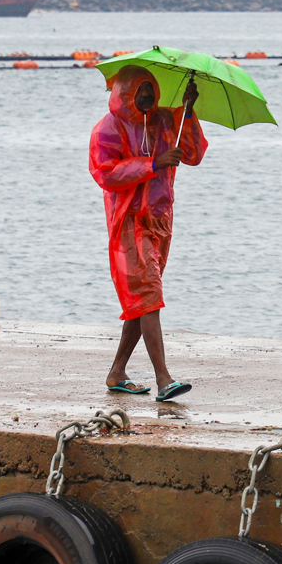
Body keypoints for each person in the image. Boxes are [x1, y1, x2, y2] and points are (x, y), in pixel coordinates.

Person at [89, 66, 208, 402]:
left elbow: (194, 155)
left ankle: (117, 371)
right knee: (148, 294)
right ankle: (164, 379)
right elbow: (106, 173)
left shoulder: (165, 121)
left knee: (143, 302)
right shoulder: (107, 129)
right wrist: (152, 164)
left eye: (149, 91)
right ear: (126, 92)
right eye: (139, 92)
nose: (146, 98)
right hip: (129, 220)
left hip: (160, 220)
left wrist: (189, 110)